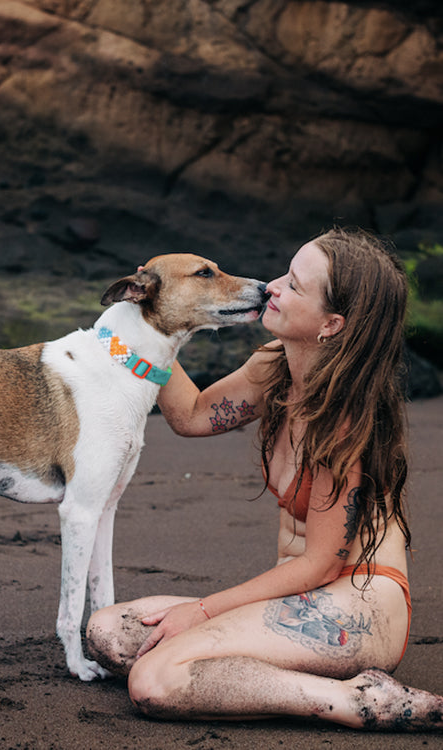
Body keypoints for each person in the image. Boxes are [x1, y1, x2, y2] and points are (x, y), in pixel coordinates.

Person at [86, 227, 443, 731]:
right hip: (290, 599)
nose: (272, 285)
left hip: (355, 608)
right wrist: (145, 331)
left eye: (294, 286)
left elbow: (321, 564)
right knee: (108, 632)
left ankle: (359, 700)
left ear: (331, 324)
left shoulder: (342, 421)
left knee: (154, 680)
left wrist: (204, 611)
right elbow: (190, 414)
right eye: (284, 273)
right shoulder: (275, 368)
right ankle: (239, 669)